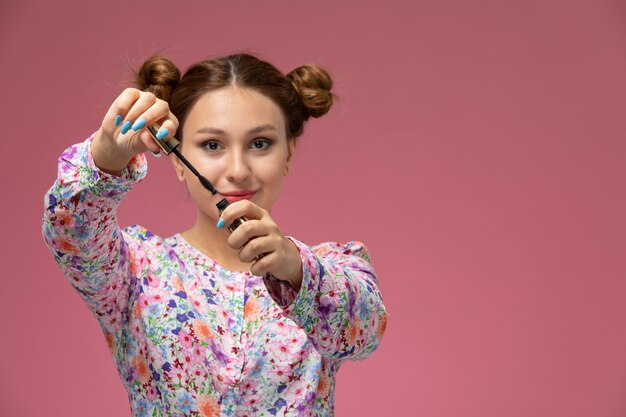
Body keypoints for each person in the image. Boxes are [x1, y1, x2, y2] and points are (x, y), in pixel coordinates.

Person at [42, 53, 387, 417]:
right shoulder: (135, 270)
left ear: (289, 151)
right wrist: (106, 155)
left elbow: (363, 333)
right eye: (212, 145)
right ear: (176, 158)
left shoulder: (334, 267)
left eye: (260, 144)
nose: (237, 170)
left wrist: (295, 267)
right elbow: (71, 232)